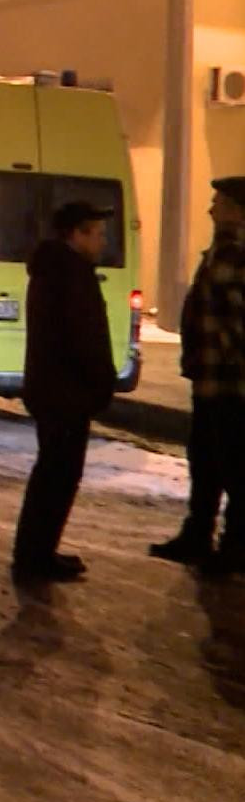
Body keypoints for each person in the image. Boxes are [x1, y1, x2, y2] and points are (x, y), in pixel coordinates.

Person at [11, 201, 118, 587]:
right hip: (66, 392)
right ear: (76, 234)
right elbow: (83, 336)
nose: (103, 241)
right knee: (58, 474)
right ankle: (35, 556)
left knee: (53, 473)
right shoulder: (70, 274)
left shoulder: (57, 269)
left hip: (56, 389)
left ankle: (37, 551)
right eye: (97, 233)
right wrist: (101, 381)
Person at [150, 176, 245, 575]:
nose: (210, 209)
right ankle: (198, 536)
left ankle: (234, 548)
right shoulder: (221, 252)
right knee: (205, 461)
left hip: (229, 386)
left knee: (234, 467)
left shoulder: (235, 255)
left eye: (218, 203)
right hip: (210, 382)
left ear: (237, 210)